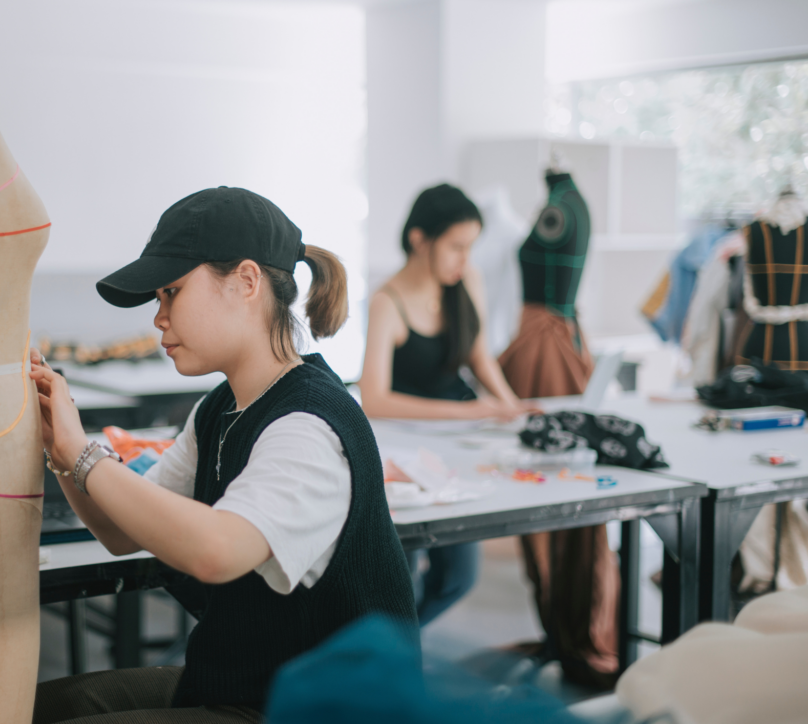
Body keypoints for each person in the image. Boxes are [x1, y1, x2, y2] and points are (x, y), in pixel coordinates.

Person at [29, 187, 417, 723]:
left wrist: (83, 451)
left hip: (313, 709)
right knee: (31, 709)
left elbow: (217, 550)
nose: (159, 318)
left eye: (172, 292)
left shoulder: (309, 425)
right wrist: (60, 447)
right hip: (243, 684)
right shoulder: (219, 409)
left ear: (247, 281)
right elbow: (120, 532)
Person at [359, 183, 533, 627]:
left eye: (470, 247)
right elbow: (374, 399)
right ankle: (387, 652)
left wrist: (511, 405)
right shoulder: (387, 302)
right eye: (456, 247)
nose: (465, 259)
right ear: (420, 240)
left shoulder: (465, 280)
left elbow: (479, 356)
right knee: (402, 579)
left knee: (458, 577)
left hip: (459, 447)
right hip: (407, 458)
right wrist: (471, 411)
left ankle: (392, 646)